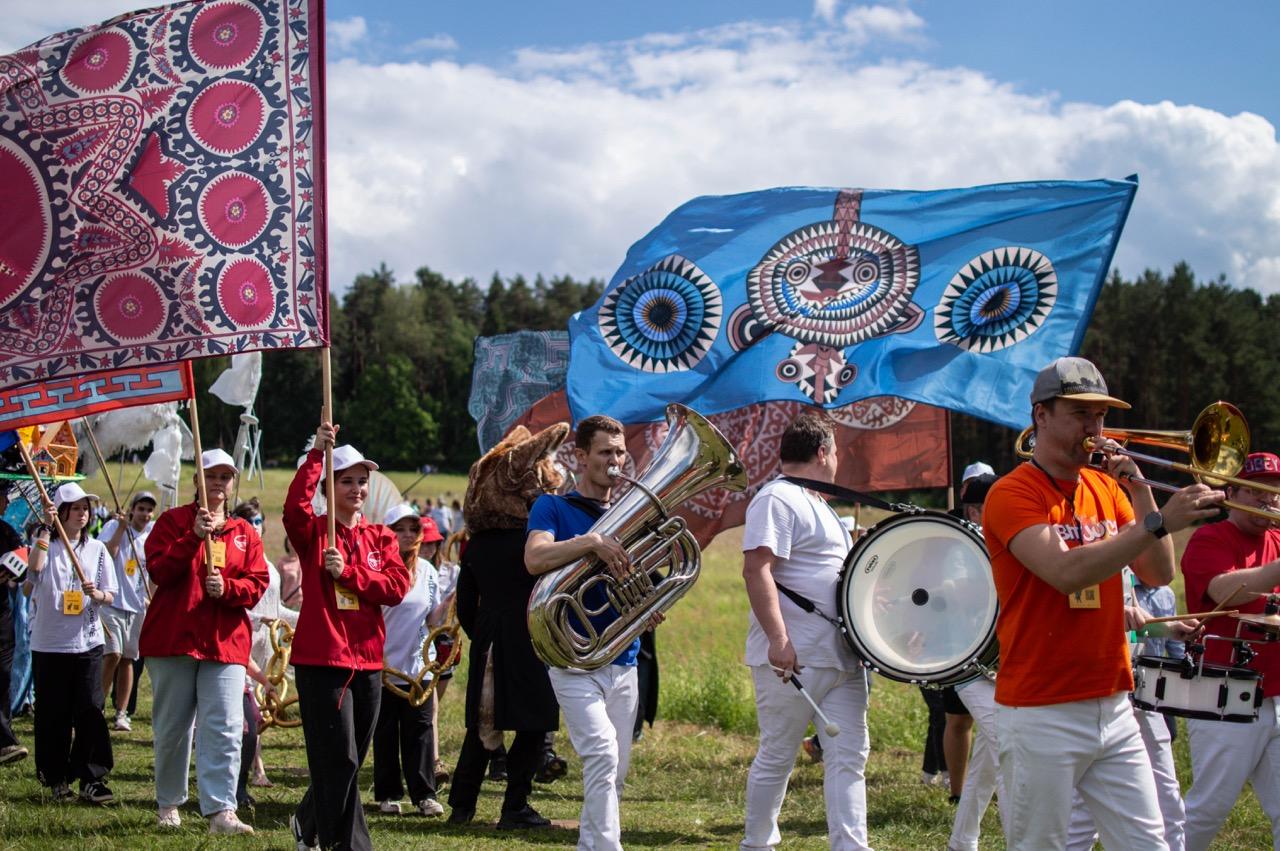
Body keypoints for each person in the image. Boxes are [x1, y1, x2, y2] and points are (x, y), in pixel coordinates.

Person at [981, 356, 1221, 849]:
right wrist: (1156, 524)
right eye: (1080, 414)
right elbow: (1067, 573)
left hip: (1114, 700)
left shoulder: (1108, 488)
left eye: (1101, 415)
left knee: (1147, 844)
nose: (1094, 428)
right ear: (1040, 416)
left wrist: (1140, 491)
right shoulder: (1011, 493)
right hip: (1040, 709)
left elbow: (1159, 572)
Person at [525, 414, 660, 850]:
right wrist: (590, 541)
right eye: (605, 452)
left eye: (620, 452)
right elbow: (535, 558)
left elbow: (639, 581)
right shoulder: (553, 507)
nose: (615, 460)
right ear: (581, 457)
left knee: (614, 769)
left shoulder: (632, 513)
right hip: (574, 659)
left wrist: (647, 607)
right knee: (601, 754)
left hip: (623, 656)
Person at [738, 413, 870, 851]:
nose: (837, 461)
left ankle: (850, 845)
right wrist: (779, 640)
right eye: (835, 452)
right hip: (795, 658)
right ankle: (757, 844)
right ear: (822, 452)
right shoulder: (776, 498)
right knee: (778, 756)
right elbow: (757, 569)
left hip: (839, 656)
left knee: (849, 757)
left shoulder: (820, 505)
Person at [284, 421, 410, 851]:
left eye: (361, 481)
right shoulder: (315, 532)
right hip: (324, 659)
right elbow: (294, 508)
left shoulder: (380, 536)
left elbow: (396, 587)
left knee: (348, 761)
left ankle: (306, 822)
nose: (356, 489)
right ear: (329, 486)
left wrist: (351, 573)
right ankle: (350, 846)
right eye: (346, 481)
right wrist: (317, 455)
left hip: (370, 661)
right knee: (340, 757)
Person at [449, 420, 569, 829]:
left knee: (482, 729)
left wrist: (482, 630)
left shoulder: (478, 543)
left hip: (492, 641)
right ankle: (514, 804)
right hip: (534, 641)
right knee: (533, 728)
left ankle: (462, 807)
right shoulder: (539, 542)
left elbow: (465, 602)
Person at [141, 450, 267, 833]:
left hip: (224, 643)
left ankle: (221, 810)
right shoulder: (172, 521)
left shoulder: (245, 532)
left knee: (226, 726)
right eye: (210, 475)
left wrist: (229, 587)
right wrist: (193, 537)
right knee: (173, 727)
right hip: (173, 639)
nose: (218, 482)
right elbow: (159, 570)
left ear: (232, 484)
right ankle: (169, 805)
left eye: (225, 476)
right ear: (197, 479)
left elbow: (257, 582)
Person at [1180, 450, 1280, 850]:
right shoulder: (1209, 537)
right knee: (1208, 810)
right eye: (1256, 491)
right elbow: (1225, 592)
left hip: (1277, 693)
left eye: (1275, 492)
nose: (1268, 500)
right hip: (1226, 693)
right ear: (1232, 492)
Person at [23, 483, 116, 803]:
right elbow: (33, 572)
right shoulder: (47, 543)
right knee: (53, 714)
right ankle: (56, 778)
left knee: (91, 708)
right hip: (50, 643)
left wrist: (96, 595)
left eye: (85, 508)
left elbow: (109, 593)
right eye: (75, 508)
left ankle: (91, 777)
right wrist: (46, 530)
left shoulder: (98, 549)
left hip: (88, 642)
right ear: (61, 512)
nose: (82, 514)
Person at [373, 505, 445, 817]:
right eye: (399, 529)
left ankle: (424, 794)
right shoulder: (375, 566)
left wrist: (457, 602)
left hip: (418, 667)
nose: (406, 535)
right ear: (387, 532)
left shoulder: (428, 571)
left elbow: (433, 617)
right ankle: (388, 794)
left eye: (412, 530)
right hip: (383, 666)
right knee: (385, 732)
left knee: (421, 731)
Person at [947, 472, 1005, 851]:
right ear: (974, 510)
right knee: (1010, 743)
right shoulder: (957, 547)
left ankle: (962, 840)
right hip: (969, 665)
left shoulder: (1007, 542)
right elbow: (954, 593)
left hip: (1005, 663)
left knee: (988, 756)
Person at [97, 491, 156, 732]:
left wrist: (151, 597)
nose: (145, 514)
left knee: (129, 659)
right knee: (113, 654)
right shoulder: (114, 526)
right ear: (132, 509)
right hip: (112, 602)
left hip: (136, 606)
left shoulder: (152, 536)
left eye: (149, 510)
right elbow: (106, 554)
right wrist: (122, 528)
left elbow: (153, 571)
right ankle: (97, 706)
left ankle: (121, 713)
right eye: (141, 508)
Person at [0, 485, 29, 765]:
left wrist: (15, 567)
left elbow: (21, 572)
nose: (6, 502)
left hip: (2, 619)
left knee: (2, 676)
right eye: (2, 497)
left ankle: (5, 741)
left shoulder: (7, 532)